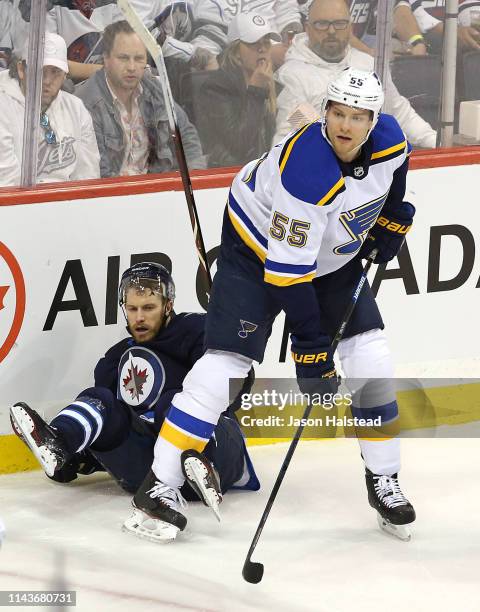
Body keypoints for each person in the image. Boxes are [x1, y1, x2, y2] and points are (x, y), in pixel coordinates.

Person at [124, 66, 417, 543]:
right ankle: (159, 486)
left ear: (374, 120)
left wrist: (393, 219)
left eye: (357, 117)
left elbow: (394, 178)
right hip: (255, 249)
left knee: (371, 356)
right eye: (336, 113)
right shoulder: (307, 170)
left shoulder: (390, 139)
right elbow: (286, 273)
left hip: (329, 252)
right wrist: (310, 349)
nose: (345, 126)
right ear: (325, 112)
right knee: (225, 366)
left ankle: (384, 479)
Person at [10, 262, 259, 543]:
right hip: (149, 472)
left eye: (149, 308)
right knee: (101, 398)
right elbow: (112, 430)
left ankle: (200, 466)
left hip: (217, 449)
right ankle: (60, 446)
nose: (139, 317)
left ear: (168, 305)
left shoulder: (198, 331)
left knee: (173, 405)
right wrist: (78, 463)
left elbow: (235, 385)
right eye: (132, 309)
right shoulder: (115, 360)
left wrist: (237, 364)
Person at [274, 0, 436, 148]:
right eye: (322, 24)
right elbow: (288, 138)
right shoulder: (290, 76)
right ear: (308, 29)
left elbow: (401, 114)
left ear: (350, 28)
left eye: (339, 23)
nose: (331, 31)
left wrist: (436, 143)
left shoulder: (370, 65)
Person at [75, 20, 206, 177]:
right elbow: (97, 175)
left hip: (158, 189)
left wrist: (195, 176)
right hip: (114, 195)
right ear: (106, 59)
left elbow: (185, 132)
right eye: (123, 58)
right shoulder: (86, 103)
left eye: (138, 59)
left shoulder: (153, 87)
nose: (132, 67)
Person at [0, 31, 100, 185]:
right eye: (40, 71)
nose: (47, 81)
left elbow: (88, 177)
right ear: (21, 69)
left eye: (55, 72)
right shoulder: (3, 107)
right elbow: (7, 184)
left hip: (69, 204)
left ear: (65, 75)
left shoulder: (76, 109)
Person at [195, 13, 279, 168]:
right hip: (229, 176)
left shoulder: (274, 85)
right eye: (254, 43)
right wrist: (256, 91)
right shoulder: (216, 87)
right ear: (235, 50)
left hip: (266, 172)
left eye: (266, 42)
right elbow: (239, 145)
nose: (262, 49)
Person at [407, 0, 480, 53]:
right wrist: (453, 32)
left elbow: (473, 16)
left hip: (456, 62)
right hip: (415, 56)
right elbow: (405, 9)